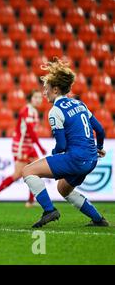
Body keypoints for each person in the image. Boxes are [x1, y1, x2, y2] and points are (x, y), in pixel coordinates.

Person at [22, 58, 109, 228]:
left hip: (76, 158)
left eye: (46, 89)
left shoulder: (56, 110)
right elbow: (100, 130)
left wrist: (55, 155)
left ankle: (49, 210)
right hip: (91, 160)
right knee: (63, 189)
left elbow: (61, 146)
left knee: (28, 171)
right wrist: (98, 148)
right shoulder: (80, 104)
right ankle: (99, 220)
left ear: (55, 89)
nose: (44, 92)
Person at [0, 90, 47, 207]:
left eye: (40, 98)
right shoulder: (27, 111)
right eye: (36, 97)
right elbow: (30, 131)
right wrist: (40, 147)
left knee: (36, 172)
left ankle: (30, 201)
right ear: (31, 98)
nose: (39, 100)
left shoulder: (34, 111)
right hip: (21, 147)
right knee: (17, 175)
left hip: (29, 146)